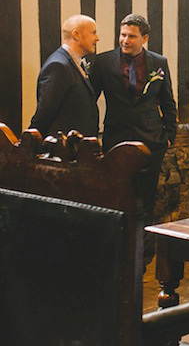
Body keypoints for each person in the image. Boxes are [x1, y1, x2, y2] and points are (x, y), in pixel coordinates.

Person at [90, 14, 177, 223]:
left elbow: (167, 102)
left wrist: (169, 137)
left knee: (146, 198)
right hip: (115, 138)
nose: (125, 40)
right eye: (122, 35)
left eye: (131, 36)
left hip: (151, 140)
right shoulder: (103, 62)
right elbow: (89, 99)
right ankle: (120, 249)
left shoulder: (158, 62)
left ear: (144, 38)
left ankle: (144, 252)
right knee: (116, 195)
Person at [30, 14, 100, 139]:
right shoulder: (59, 66)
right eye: (93, 33)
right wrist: (31, 144)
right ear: (76, 35)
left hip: (78, 149)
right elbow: (45, 113)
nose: (97, 38)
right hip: (62, 150)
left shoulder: (73, 62)